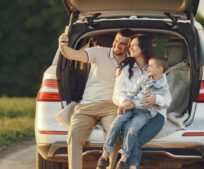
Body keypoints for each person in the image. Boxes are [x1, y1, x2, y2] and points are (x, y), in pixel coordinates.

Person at [58, 27, 134, 169]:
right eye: (117, 40)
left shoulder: (131, 64)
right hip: (87, 105)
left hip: (112, 107)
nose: (118, 45)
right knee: (74, 134)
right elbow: (71, 54)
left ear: (129, 46)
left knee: (115, 136)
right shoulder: (99, 52)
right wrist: (62, 44)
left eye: (123, 43)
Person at [97, 34, 171, 169]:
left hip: (155, 114)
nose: (130, 48)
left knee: (133, 136)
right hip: (132, 109)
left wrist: (156, 99)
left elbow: (167, 99)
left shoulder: (157, 69)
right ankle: (121, 162)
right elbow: (117, 94)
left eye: (134, 46)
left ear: (143, 48)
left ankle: (125, 163)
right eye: (129, 46)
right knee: (126, 129)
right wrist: (124, 102)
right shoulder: (125, 69)